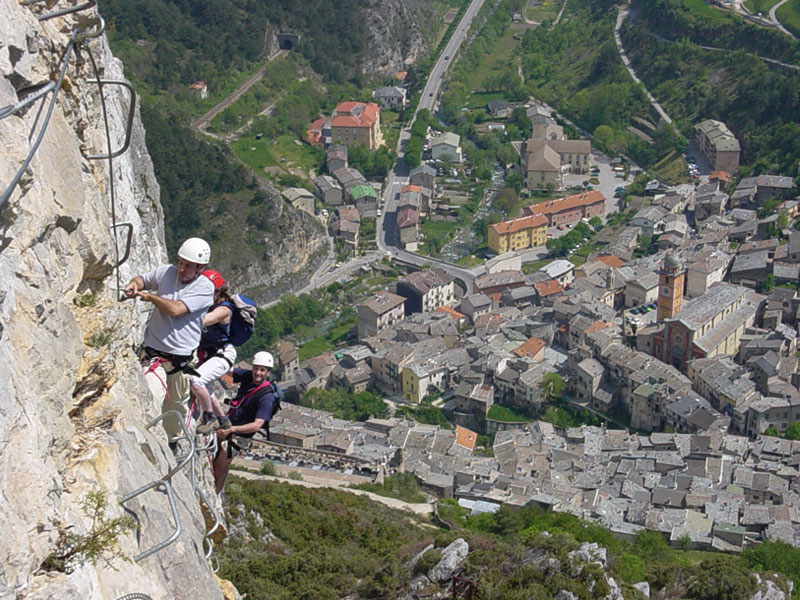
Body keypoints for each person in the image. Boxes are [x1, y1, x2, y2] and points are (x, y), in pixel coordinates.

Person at [124, 237, 214, 450]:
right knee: (150, 394)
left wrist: (151, 298)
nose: (182, 269)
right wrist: (134, 285)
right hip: (154, 354)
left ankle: (172, 443)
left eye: (188, 266)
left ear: (200, 268)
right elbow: (143, 280)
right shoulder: (166, 272)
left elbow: (176, 310)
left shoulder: (204, 288)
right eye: (181, 262)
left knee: (175, 411)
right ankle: (143, 442)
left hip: (179, 362)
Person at [214, 351, 280, 493]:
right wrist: (215, 357)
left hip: (240, 438)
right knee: (214, 456)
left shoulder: (266, 398)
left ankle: (215, 494)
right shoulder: (247, 376)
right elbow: (229, 370)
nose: (258, 373)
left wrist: (232, 430)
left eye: (262, 370)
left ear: (268, 372)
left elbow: (257, 425)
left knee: (221, 464)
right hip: (229, 425)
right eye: (256, 368)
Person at [192, 269, 235, 435]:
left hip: (222, 354)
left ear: (217, 291)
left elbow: (204, 321)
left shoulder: (224, 309)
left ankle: (210, 417)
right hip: (212, 354)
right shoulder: (210, 305)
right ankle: (223, 419)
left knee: (196, 381)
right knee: (207, 391)